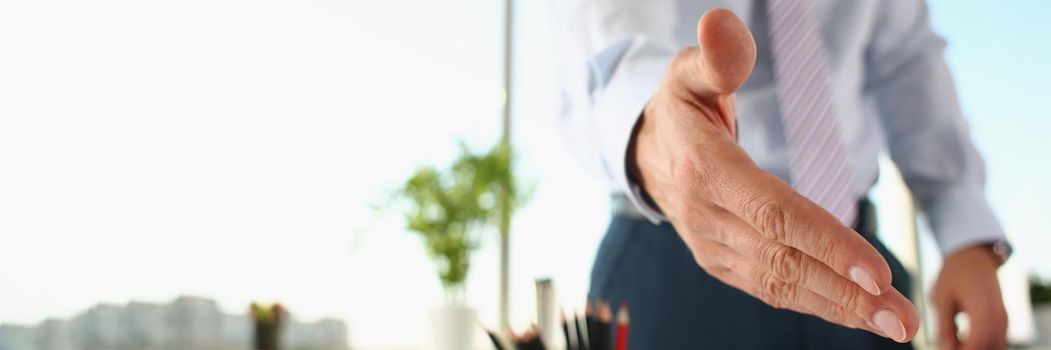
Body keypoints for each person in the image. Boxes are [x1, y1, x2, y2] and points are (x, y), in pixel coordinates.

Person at [553, 1, 1011, 349]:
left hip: (861, 266)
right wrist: (657, 134)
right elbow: (608, 47)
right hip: (675, 249)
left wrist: (964, 232)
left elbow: (907, 62)